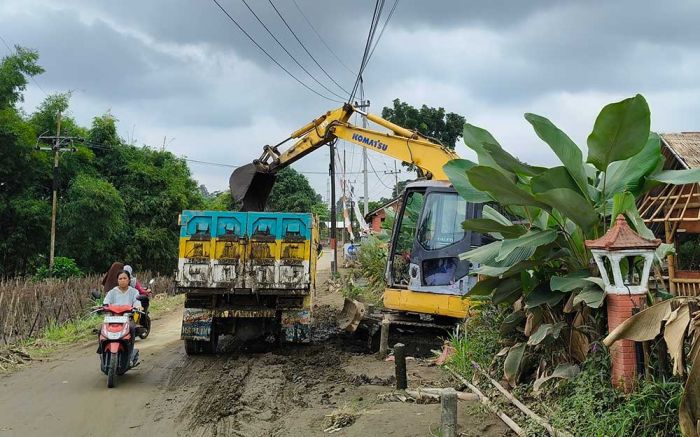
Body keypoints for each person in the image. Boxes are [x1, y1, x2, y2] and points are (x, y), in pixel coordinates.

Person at [104, 270, 142, 366]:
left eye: (125, 278)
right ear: (117, 280)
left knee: (132, 329)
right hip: (112, 319)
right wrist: (103, 307)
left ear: (129, 280)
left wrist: (138, 306)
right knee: (101, 329)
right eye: (120, 278)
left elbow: (137, 302)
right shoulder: (112, 292)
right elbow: (106, 303)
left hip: (127, 319)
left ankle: (129, 355)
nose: (122, 280)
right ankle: (102, 350)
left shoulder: (134, 292)